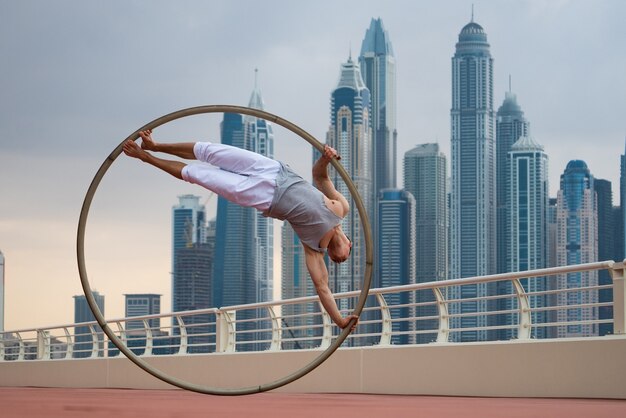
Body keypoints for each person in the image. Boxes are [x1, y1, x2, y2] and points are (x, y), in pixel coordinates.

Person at [123, 130, 358, 331]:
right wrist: (326, 158)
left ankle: (145, 156)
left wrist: (339, 320)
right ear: (349, 244)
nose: (339, 261)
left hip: (263, 197)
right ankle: (156, 145)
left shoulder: (314, 248)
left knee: (196, 175)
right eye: (345, 259)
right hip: (276, 172)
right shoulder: (341, 207)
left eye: (337, 262)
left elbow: (323, 288)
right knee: (211, 151)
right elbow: (319, 176)